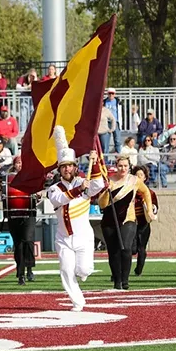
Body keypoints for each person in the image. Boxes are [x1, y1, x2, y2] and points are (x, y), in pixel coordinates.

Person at [46, 126, 105, 311]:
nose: (67, 169)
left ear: (75, 167)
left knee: (84, 270)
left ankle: (83, 273)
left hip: (84, 237)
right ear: (59, 169)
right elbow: (60, 199)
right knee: (65, 269)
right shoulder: (54, 188)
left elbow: (98, 185)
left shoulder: (82, 181)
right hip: (63, 238)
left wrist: (94, 164)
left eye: (70, 165)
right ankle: (77, 301)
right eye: (63, 167)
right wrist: (79, 190)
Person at [98, 155, 154, 289]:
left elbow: (146, 192)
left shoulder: (134, 180)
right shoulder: (109, 181)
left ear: (129, 167)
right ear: (116, 167)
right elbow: (102, 204)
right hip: (109, 220)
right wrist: (106, 191)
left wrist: (150, 209)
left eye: (125, 166)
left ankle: (125, 279)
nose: (123, 168)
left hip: (128, 219)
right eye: (120, 166)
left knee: (126, 248)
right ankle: (117, 280)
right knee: (113, 251)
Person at [7, 155, 37, 285]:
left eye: (22, 163)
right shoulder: (8, 179)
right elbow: (5, 196)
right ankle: (21, 274)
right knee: (18, 244)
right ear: (14, 165)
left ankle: (29, 268)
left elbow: (39, 194)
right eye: (18, 163)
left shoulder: (32, 177)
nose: (20, 165)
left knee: (28, 240)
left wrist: (38, 195)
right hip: (13, 214)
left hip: (29, 213)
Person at [131, 166, 158, 276]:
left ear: (145, 178)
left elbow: (156, 208)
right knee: (131, 249)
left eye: (141, 175)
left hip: (143, 224)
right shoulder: (129, 190)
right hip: (130, 223)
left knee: (142, 249)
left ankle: (139, 270)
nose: (138, 177)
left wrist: (150, 208)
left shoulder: (149, 193)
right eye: (136, 175)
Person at [102, 88, 123, 153]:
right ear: (107, 94)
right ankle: (105, 160)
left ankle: (119, 157)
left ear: (114, 94)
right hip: (106, 123)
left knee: (118, 141)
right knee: (105, 143)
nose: (111, 95)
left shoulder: (118, 102)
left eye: (112, 93)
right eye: (109, 93)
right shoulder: (104, 102)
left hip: (115, 122)